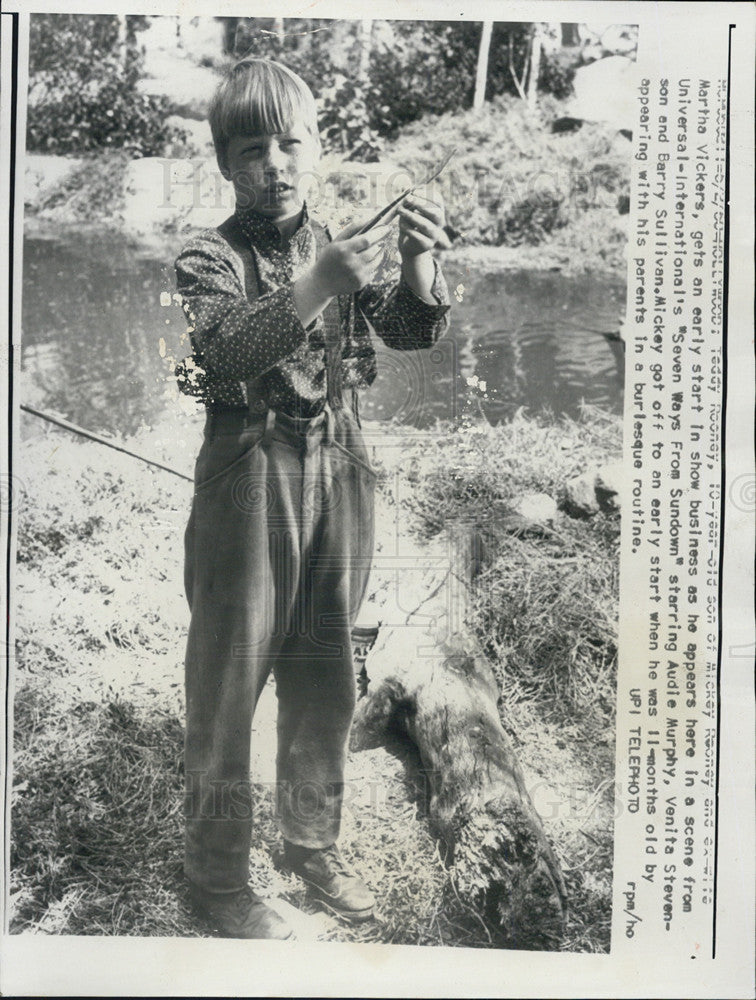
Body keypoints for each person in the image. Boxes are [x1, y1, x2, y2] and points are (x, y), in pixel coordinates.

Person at [174, 57, 450, 940]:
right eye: (251, 149)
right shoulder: (207, 256)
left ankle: (308, 842)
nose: (274, 164)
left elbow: (409, 332)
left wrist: (417, 267)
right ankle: (216, 881)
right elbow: (218, 356)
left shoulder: (337, 239)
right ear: (225, 164)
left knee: (326, 668)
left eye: (290, 144)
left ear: (318, 149)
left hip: (342, 465)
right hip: (247, 475)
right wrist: (320, 282)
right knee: (228, 680)